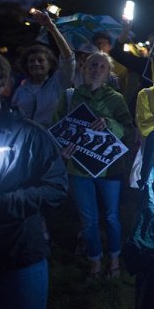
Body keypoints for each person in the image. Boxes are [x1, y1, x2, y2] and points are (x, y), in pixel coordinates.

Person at [0, 48, 68, 309]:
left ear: (2, 84)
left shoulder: (29, 134)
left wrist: (6, 201)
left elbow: (56, 187)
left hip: (18, 256)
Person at [62, 52, 133, 280]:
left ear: (108, 72)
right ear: (84, 68)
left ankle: (113, 259)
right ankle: (95, 261)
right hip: (78, 168)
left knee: (112, 217)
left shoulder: (116, 98)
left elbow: (129, 131)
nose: (96, 69)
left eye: (102, 66)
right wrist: (61, 149)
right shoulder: (70, 97)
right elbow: (58, 127)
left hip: (109, 168)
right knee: (88, 220)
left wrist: (110, 123)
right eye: (93, 65)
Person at [11, 9, 75, 128]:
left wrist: (51, 28)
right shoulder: (21, 89)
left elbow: (68, 58)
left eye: (40, 60)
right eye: (31, 61)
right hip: (23, 139)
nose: (35, 63)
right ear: (26, 66)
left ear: (50, 64)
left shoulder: (59, 82)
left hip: (51, 139)